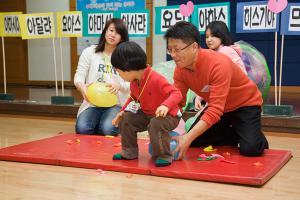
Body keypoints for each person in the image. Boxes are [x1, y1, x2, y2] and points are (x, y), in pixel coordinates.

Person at [164, 21, 269, 159]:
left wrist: (187, 137)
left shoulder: (218, 64)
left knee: (251, 149)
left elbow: (214, 109)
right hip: (222, 109)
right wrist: (162, 124)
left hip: (245, 104)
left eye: (177, 49)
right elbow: (178, 101)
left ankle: (252, 136)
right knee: (195, 141)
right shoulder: (180, 70)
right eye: (170, 50)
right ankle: (238, 132)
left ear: (194, 47)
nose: (173, 55)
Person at [110, 41, 182, 167]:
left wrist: (165, 105)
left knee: (156, 123)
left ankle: (164, 155)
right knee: (126, 118)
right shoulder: (134, 81)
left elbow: (176, 94)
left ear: (128, 69)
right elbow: (133, 98)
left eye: (119, 72)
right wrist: (122, 111)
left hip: (170, 116)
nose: (120, 76)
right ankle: (129, 151)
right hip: (148, 114)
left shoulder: (155, 78)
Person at [74, 18, 130, 135]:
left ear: (122, 38)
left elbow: (133, 83)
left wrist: (119, 86)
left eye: (118, 33)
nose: (113, 35)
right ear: (105, 31)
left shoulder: (125, 56)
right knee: (82, 129)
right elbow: (79, 75)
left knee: (108, 129)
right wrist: (81, 86)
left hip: (116, 103)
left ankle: (108, 124)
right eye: (111, 30)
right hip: (92, 102)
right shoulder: (89, 52)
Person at [195, 21, 247, 110]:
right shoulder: (216, 52)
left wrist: (201, 97)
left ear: (222, 36)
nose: (209, 39)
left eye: (213, 36)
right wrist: (199, 97)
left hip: (239, 99)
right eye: (207, 36)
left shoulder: (225, 52)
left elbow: (215, 81)